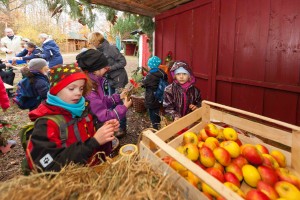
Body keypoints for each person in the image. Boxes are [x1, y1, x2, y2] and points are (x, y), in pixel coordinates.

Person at [25, 64, 119, 172]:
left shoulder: (84, 109)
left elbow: (92, 132)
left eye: (81, 88)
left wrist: (105, 129)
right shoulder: (46, 124)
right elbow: (47, 169)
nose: (78, 93)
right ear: (56, 89)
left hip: (92, 173)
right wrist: (94, 142)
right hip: (70, 183)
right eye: (71, 88)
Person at [76, 49, 132, 138]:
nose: (107, 68)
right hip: (97, 130)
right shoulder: (90, 92)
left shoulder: (95, 82)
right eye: (104, 67)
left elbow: (101, 101)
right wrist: (124, 107)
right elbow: (104, 117)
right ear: (95, 70)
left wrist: (118, 97)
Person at [142, 56, 168, 130]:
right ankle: (159, 123)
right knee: (157, 109)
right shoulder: (162, 73)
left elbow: (143, 83)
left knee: (152, 111)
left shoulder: (150, 75)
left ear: (150, 66)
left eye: (148, 65)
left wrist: (143, 79)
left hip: (151, 96)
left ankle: (155, 127)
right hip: (160, 95)